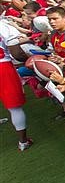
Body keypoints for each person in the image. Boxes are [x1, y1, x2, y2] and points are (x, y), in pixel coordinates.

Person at [0, 19, 32, 151]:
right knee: (14, 107)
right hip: (3, 66)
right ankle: (23, 141)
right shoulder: (3, 26)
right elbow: (16, 53)